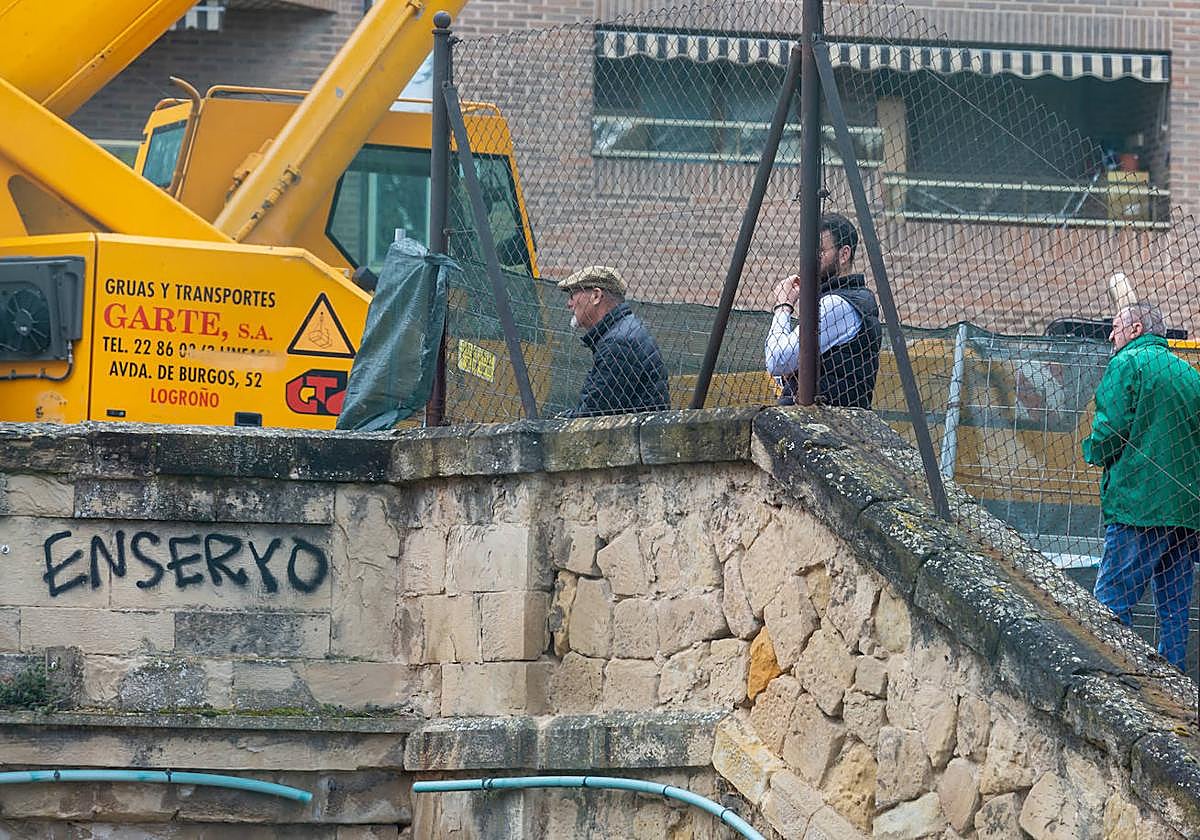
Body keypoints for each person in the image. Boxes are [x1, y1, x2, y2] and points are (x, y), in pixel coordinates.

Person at [1082, 302, 1200, 670]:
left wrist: (1093, 450)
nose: (1111, 335)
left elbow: (1111, 428)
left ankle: (1112, 675)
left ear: (1135, 329)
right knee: (1175, 610)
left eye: (1116, 327)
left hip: (1139, 503)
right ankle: (1174, 681)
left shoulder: (1126, 364)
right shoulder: (1189, 373)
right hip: (1185, 511)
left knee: (1111, 602)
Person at [764, 212, 882, 408]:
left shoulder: (837, 304)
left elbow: (777, 361)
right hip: (820, 419)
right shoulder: (845, 299)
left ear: (844, 254)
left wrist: (783, 306)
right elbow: (781, 370)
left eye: (820, 251)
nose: (810, 260)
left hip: (825, 421)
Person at [558, 265, 670, 418]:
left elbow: (595, 414)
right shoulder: (622, 332)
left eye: (572, 295)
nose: (569, 304)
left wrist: (561, 421)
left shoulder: (618, 343)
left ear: (596, 296)